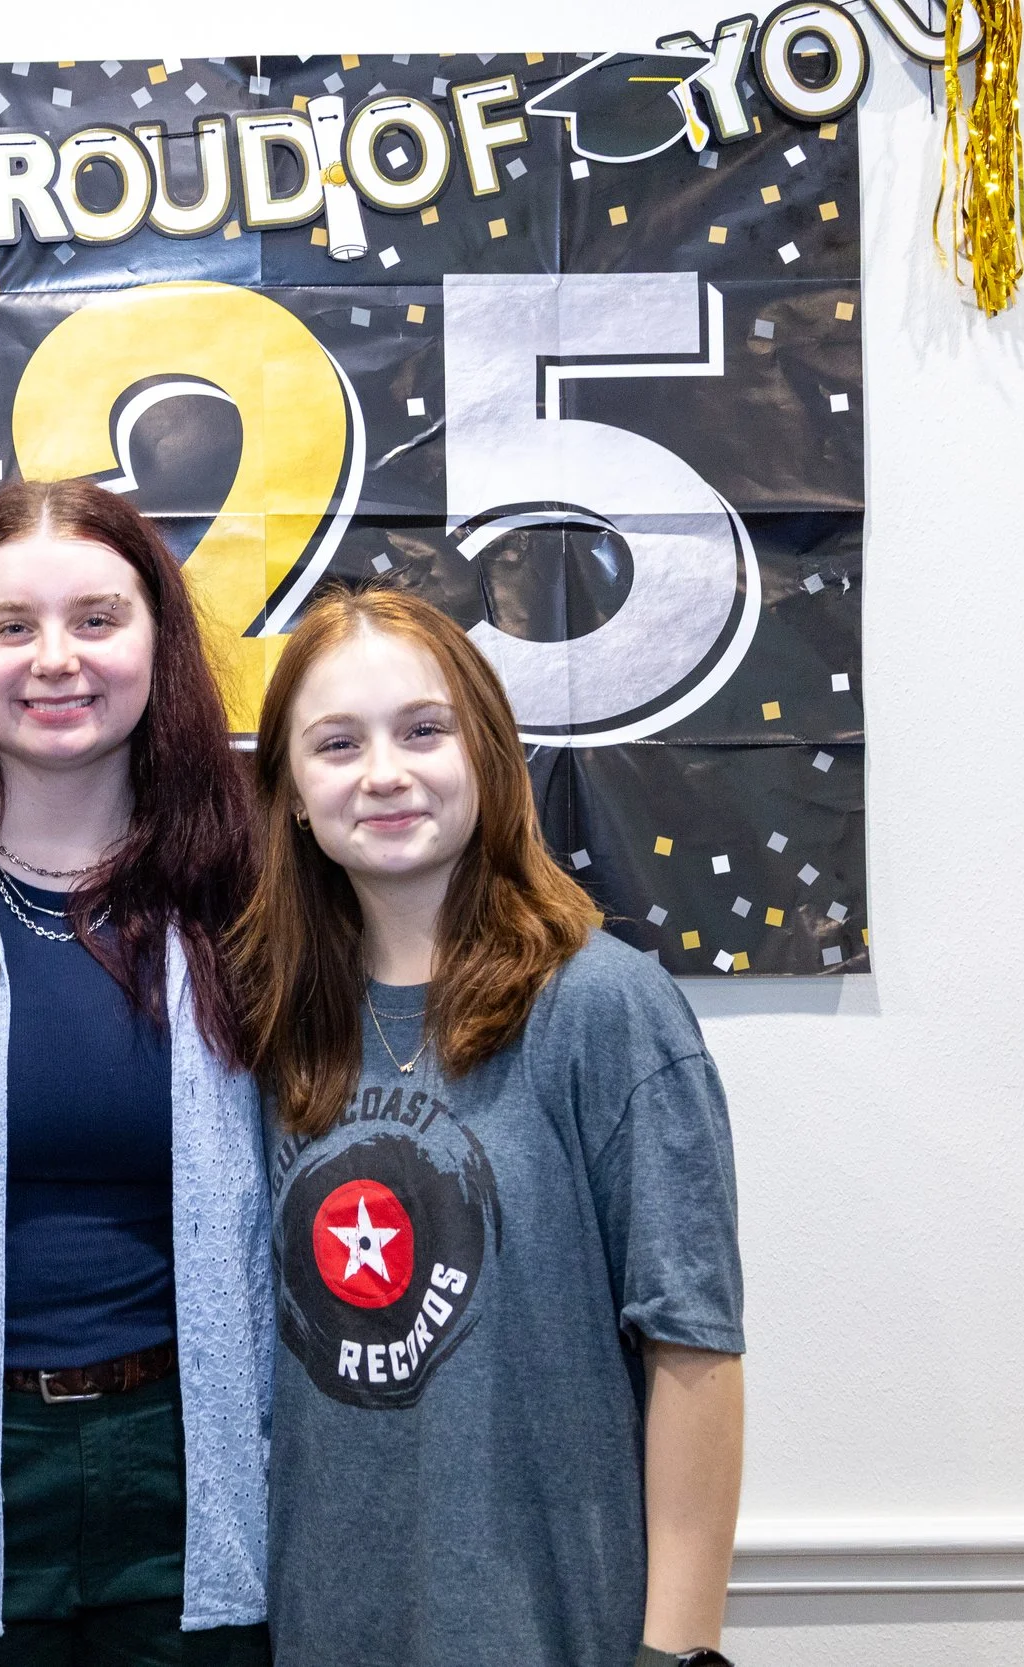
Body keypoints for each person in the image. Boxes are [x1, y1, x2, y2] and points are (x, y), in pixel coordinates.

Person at [232, 586, 746, 1667]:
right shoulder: (268, 1024)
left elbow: (692, 1342)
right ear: (286, 792)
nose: (383, 772)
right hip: (318, 1628)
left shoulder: (604, 1008)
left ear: (489, 752)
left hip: (553, 1628)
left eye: (423, 730)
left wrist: (679, 1649)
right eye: (336, 743)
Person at [0, 479, 272, 1663]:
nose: (55, 659)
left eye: (97, 618)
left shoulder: (247, 889)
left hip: (195, 1461)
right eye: (11, 625)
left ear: (157, 641)